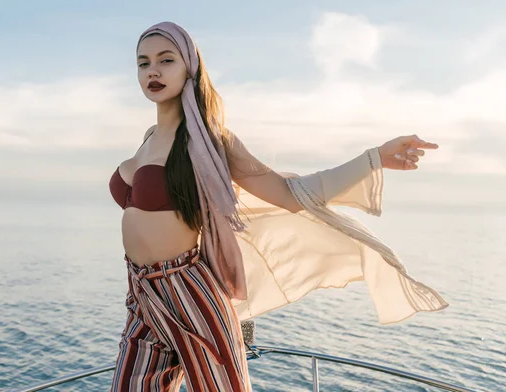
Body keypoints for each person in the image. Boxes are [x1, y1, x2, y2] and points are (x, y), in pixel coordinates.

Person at [108, 21, 448, 392]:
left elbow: (290, 192)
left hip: (188, 291)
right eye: (143, 63)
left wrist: (374, 158)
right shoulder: (149, 138)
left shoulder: (210, 140)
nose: (153, 71)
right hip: (141, 293)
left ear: (190, 66)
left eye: (166, 60)